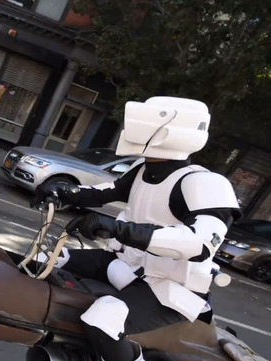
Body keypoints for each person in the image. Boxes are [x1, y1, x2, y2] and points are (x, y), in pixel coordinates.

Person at [29, 96, 241, 361]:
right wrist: (64, 191)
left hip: (168, 288)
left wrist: (117, 228)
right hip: (126, 265)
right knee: (45, 260)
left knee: (104, 318)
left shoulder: (206, 184)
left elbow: (199, 244)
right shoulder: (142, 169)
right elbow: (105, 191)